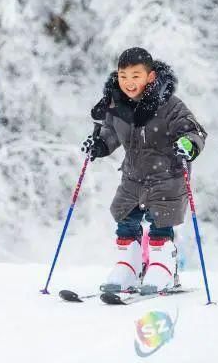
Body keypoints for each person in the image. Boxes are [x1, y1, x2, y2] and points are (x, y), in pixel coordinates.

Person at [83, 47, 207, 292]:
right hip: (133, 177)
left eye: (135, 76)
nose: (129, 83)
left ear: (150, 77)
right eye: (123, 76)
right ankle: (128, 266)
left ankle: (163, 268)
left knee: (160, 225)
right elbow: (110, 133)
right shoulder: (118, 106)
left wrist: (189, 144)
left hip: (167, 177)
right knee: (125, 221)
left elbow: (195, 131)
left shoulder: (170, 105)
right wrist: (99, 144)